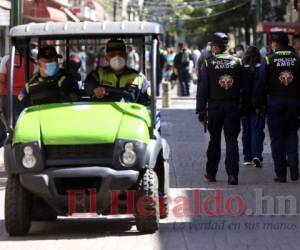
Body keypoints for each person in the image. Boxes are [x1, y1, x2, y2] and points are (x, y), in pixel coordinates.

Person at [196, 32, 246, 185]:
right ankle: (233, 175)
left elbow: (202, 88)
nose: (211, 48)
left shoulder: (208, 63)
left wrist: (200, 109)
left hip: (215, 107)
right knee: (232, 140)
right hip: (233, 106)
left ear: (216, 47)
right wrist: (243, 105)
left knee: (214, 140)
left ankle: (211, 173)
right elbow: (245, 86)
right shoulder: (238, 61)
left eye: (212, 45)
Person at [255, 32, 300, 183]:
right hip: (294, 102)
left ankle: (281, 173)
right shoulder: (296, 59)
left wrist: (259, 105)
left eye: (272, 42)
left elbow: (261, 84)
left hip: (275, 103)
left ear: (276, 44)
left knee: (277, 137)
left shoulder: (269, 59)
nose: (270, 45)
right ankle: (293, 160)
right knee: (292, 133)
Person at [84, 39, 150, 106]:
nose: (117, 57)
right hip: (102, 114)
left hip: (129, 115)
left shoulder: (138, 77)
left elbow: (147, 102)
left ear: (126, 56)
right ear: (106, 57)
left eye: (121, 54)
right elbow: (88, 85)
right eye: (112, 54)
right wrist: (95, 90)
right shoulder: (98, 74)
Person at [241, 46, 266, 168]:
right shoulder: (262, 69)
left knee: (246, 131)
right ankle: (257, 155)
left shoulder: (241, 69)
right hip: (258, 105)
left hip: (245, 105)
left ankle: (247, 157)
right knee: (257, 130)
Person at [0, 51, 35, 123]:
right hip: (24, 95)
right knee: (22, 118)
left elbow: (1, 79)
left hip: (8, 95)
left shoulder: (6, 59)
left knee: (9, 120)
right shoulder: (32, 62)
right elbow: (33, 80)